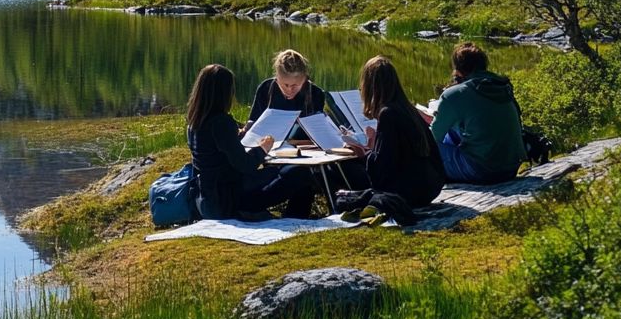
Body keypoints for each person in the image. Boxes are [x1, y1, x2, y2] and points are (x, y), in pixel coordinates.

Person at [186, 63, 317, 220]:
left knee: (289, 172)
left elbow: (219, 152)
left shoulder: (194, 122)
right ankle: (294, 218)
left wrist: (239, 137)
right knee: (300, 173)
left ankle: (291, 217)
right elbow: (245, 165)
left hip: (209, 196)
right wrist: (263, 148)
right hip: (230, 199)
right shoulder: (221, 122)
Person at [345, 56, 445, 207]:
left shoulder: (387, 114)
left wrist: (363, 151)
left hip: (410, 191)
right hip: (430, 186)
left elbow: (382, 169)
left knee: (346, 170)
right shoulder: (408, 109)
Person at [429, 42, 526, 183]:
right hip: (511, 168)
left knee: (422, 147)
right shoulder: (502, 86)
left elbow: (432, 139)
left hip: (482, 171)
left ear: (458, 69)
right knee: (452, 134)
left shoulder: (455, 94)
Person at [245, 49, 326, 131]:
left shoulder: (316, 93)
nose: (290, 90)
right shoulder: (266, 88)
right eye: (285, 85)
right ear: (277, 78)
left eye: (295, 85)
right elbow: (254, 120)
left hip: (304, 143)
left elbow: (319, 129)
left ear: (304, 79)